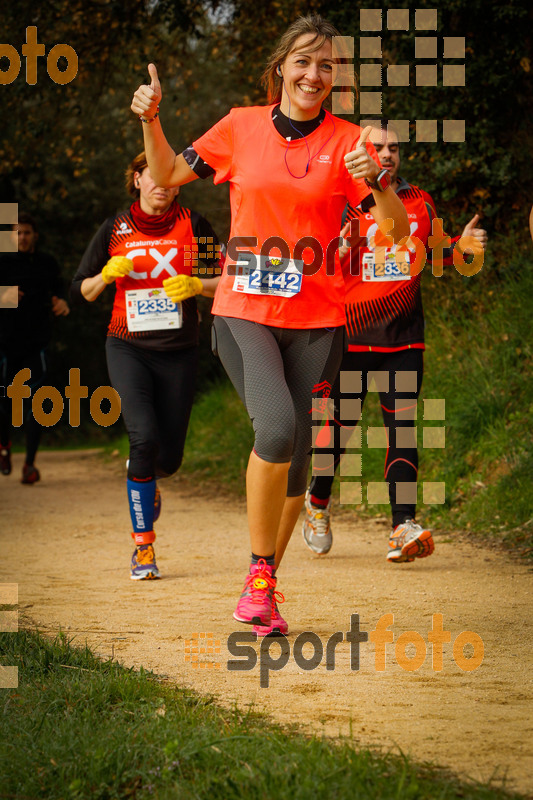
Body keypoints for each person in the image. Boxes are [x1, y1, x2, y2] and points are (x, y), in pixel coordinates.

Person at [131, 13, 409, 633]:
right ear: (281, 67)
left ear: (336, 77)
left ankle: (264, 589)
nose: (315, 74)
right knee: (278, 427)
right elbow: (172, 175)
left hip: (318, 320)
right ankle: (259, 575)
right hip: (244, 310)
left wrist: (380, 182)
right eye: (304, 61)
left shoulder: (348, 144)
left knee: (301, 457)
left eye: (327, 65)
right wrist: (151, 120)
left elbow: (390, 232)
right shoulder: (241, 125)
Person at [303, 120, 488, 563]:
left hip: (404, 340)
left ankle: (402, 523)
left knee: (401, 429)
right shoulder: (341, 202)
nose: (386, 154)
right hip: (349, 338)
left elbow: (438, 253)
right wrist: (335, 254)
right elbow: (313, 266)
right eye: (377, 147)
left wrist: (463, 247)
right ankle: (318, 502)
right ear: (359, 152)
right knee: (339, 431)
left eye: (393, 147)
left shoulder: (418, 201)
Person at [70, 152, 221, 580]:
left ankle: (146, 479)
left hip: (179, 350)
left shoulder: (195, 224)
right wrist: (105, 276)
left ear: (178, 184)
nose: (161, 184)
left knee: (167, 459)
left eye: (169, 178)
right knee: (143, 438)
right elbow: (82, 290)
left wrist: (197, 285)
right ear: (136, 180)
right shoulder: (114, 229)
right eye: (150, 176)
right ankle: (143, 548)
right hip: (127, 347)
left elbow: (232, 276)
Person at [0, 213, 70, 484]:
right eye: (17, 233)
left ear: (35, 236)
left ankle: (29, 464)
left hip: (37, 342)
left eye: (27, 232)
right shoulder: (2, 263)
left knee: (37, 403)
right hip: (5, 343)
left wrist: (62, 302)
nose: (22, 237)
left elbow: (60, 291)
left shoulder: (46, 263)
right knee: (5, 402)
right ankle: (4, 446)